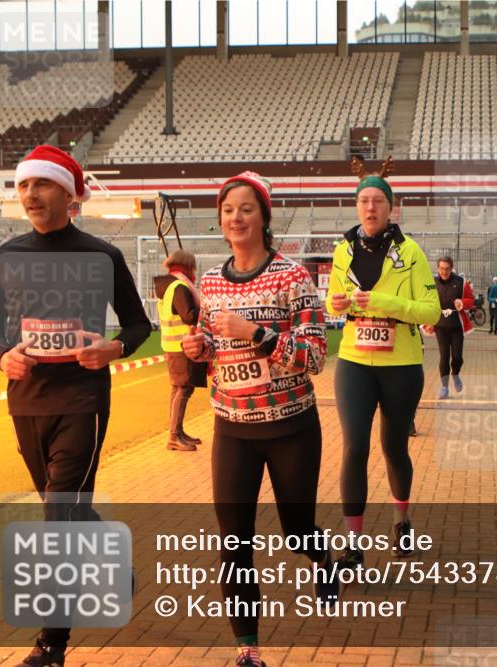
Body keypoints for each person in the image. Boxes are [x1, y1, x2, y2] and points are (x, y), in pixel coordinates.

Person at [0, 145, 151, 667]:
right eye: (24, 185)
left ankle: (52, 642)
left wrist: (113, 348)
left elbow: (139, 324)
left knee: (57, 519)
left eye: (42, 184)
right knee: (67, 511)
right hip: (26, 404)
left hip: (82, 401)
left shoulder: (102, 256)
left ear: (69, 194)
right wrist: (2, 356)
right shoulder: (4, 257)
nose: (30, 194)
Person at [181, 171, 335, 667]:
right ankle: (248, 648)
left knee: (296, 532)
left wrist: (257, 333)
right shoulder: (208, 282)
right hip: (232, 429)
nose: (236, 218)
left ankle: (322, 557)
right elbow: (211, 352)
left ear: (264, 216)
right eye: (228, 210)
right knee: (234, 542)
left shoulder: (294, 278)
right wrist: (198, 347)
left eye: (246, 209)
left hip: (291, 428)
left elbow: (313, 357)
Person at [325, 156, 440, 570]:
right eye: (363, 201)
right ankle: (353, 544)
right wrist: (335, 303)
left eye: (378, 201)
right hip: (354, 361)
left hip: (402, 366)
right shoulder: (342, 251)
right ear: (356, 207)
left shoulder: (410, 253)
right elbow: (333, 300)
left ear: (392, 207)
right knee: (354, 446)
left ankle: (401, 520)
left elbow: (429, 312)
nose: (370, 208)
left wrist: (383, 303)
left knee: (393, 446)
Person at [155, 249, 207, 451]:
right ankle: (174, 436)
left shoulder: (168, 285)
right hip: (182, 346)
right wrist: (204, 307)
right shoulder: (179, 287)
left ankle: (177, 431)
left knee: (178, 389)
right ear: (188, 266)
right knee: (183, 389)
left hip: (172, 345)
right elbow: (189, 316)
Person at [423, 256, 474, 399]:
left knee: (457, 357)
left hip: (457, 326)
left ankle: (455, 373)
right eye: (441, 269)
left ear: (451, 268)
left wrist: (462, 302)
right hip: (440, 327)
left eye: (447, 269)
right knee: (444, 357)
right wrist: (426, 322)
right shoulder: (431, 283)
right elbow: (425, 303)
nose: (444, 272)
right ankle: (444, 387)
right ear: (437, 268)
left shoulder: (461, 282)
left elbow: (471, 300)